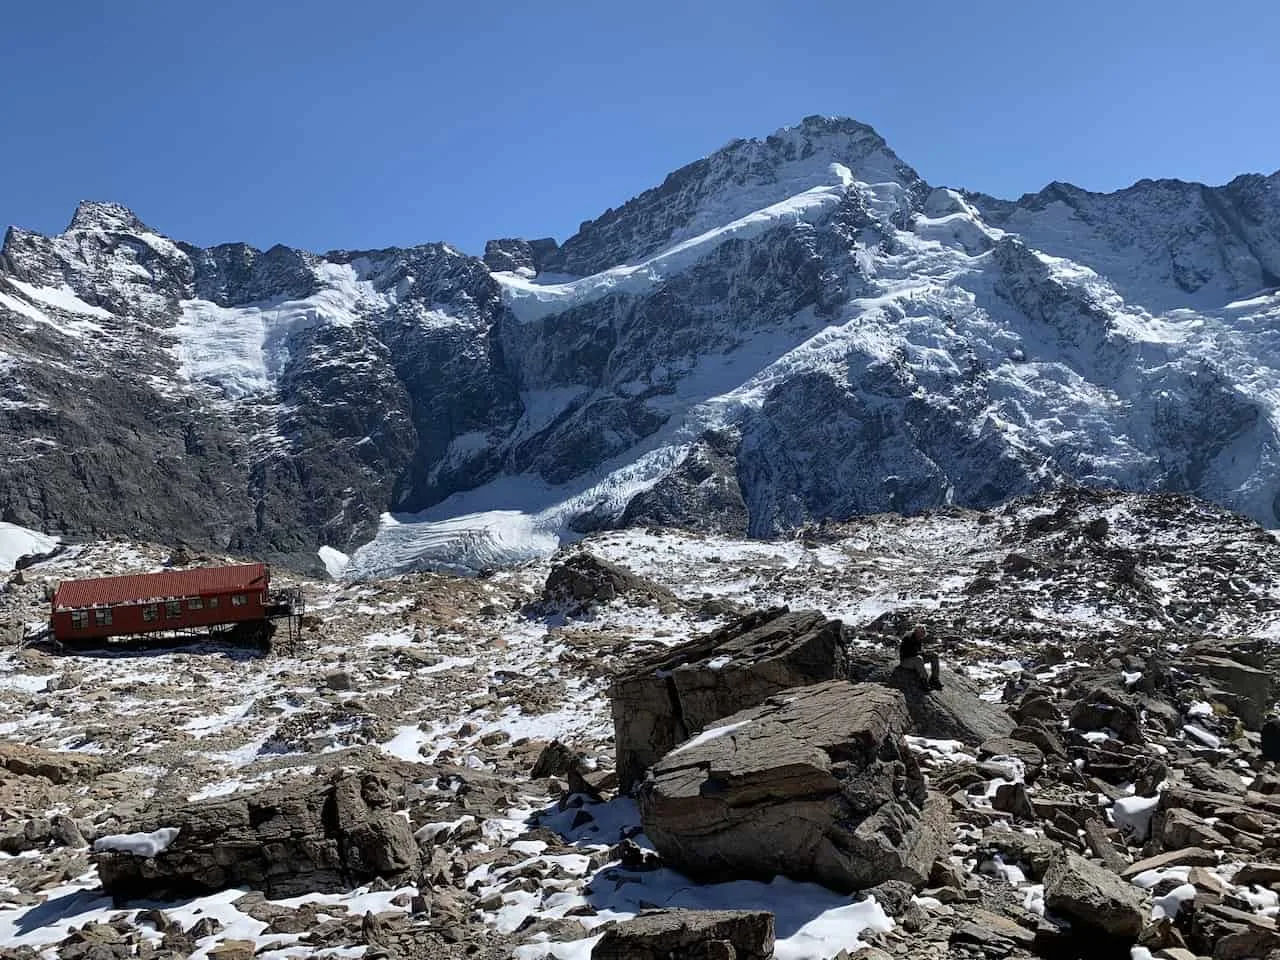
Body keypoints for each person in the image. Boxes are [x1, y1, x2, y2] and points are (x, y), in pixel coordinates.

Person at [899, 624, 942, 690]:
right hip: (906, 661)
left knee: (934, 655)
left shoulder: (918, 638)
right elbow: (911, 653)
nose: (923, 635)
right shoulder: (909, 638)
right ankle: (924, 681)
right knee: (918, 659)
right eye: (921, 632)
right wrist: (924, 652)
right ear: (916, 631)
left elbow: (919, 650)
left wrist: (927, 652)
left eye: (924, 632)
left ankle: (934, 679)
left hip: (915, 659)